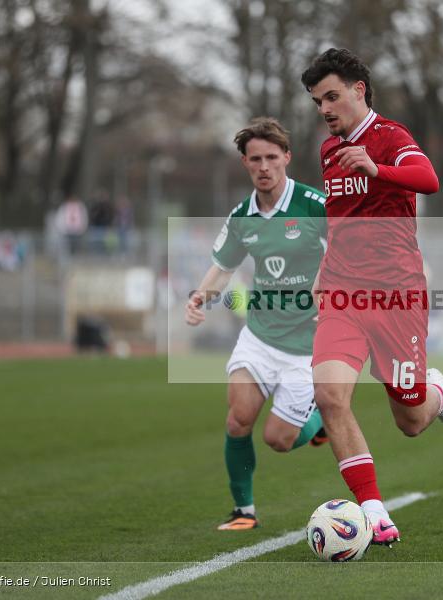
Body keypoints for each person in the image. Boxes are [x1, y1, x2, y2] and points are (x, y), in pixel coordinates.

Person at [301, 48, 443, 546]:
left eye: (331, 97)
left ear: (359, 90)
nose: (325, 109)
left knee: (410, 420)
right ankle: (374, 511)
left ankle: (437, 392)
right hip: (342, 294)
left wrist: (376, 168)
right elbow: (342, 219)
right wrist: (323, 270)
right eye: (317, 101)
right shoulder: (329, 151)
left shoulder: (390, 137)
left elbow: (429, 180)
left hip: (396, 298)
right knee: (330, 396)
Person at [185, 117, 329, 530]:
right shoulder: (242, 216)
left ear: (286, 157)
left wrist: (326, 283)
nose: (264, 166)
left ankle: (318, 421)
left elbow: (350, 245)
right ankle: (243, 511)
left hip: (308, 345)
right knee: (238, 419)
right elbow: (222, 268)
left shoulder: (313, 205)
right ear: (245, 163)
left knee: (278, 440)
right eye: (255, 159)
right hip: (260, 337)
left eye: (271, 157)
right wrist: (200, 296)